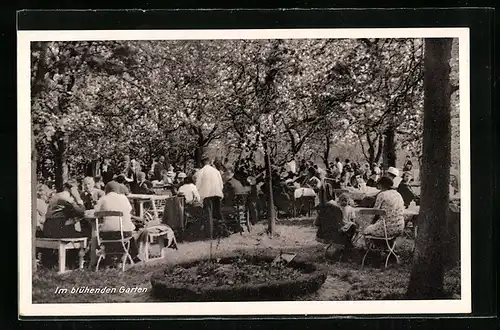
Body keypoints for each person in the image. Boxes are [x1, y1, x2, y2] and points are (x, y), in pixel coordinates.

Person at [94, 181, 144, 263]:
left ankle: (107, 257)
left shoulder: (103, 199)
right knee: (128, 235)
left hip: (107, 235)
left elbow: (96, 212)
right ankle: (131, 255)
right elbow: (128, 210)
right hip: (124, 233)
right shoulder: (123, 198)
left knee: (104, 230)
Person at [196, 156, 225, 238]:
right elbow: (221, 185)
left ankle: (209, 234)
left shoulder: (201, 172)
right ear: (209, 162)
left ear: (202, 163)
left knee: (208, 215)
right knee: (217, 213)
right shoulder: (216, 171)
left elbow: (197, 186)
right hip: (217, 194)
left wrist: (199, 197)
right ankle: (221, 232)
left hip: (207, 195)